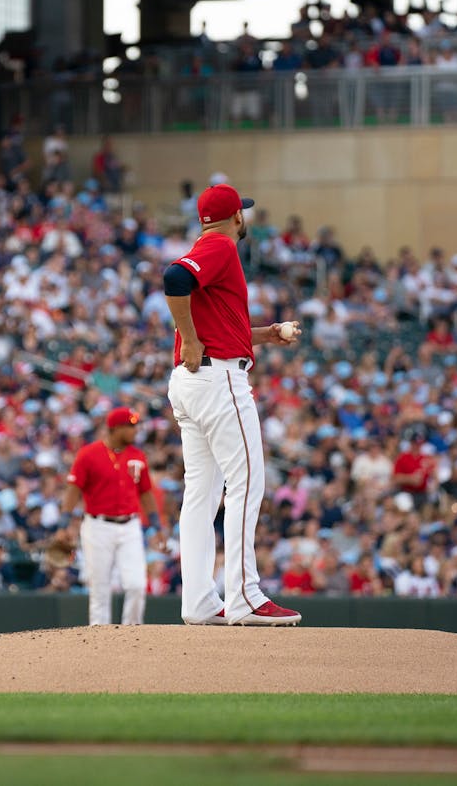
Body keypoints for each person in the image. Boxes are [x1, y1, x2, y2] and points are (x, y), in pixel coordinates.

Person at [163, 184, 304, 626]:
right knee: (247, 483)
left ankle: (200, 602)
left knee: (201, 496)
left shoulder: (210, 248)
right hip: (217, 380)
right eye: (242, 212)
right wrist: (188, 336)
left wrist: (269, 333)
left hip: (196, 381)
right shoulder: (220, 246)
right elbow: (174, 279)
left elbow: (220, 324)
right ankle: (244, 596)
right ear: (236, 217)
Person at [62, 406, 167, 626]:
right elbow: (73, 490)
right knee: (100, 588)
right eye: (130, 426)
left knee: (137, 584)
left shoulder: (137, 456)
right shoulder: (89, 454)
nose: (135, 431)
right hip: (98, 526)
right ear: (116, 428)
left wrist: (157, 527)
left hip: (130, 526)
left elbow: (146, 493)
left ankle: (132, 635)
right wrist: (64, 525)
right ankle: (100, 639)